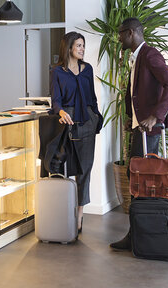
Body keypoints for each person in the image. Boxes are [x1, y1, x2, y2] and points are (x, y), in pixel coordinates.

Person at [110, 17, 168, 251]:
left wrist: (155, 116)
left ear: (131, 33)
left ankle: (140, 235)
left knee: (141, 181)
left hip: (148, 131)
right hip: (139, 129)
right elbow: (137, 91)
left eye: (120, 33)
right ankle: (139, 232)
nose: (118, 37)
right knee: (137, 179)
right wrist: (133, 116)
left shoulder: (149, 54)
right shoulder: (137, 56)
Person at [50, 31, 103, 233]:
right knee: (59, 167)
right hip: (67, 122)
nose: (82, 49)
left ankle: (79, 216)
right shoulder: (57, 72)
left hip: (87, 121)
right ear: (69, 47)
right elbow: (55, 99)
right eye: (78, 45)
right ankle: (60, 212)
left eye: (83, 45)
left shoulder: (87, 69)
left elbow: (93, 96)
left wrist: (96, 117)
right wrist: (61, 111)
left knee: (84, 169)